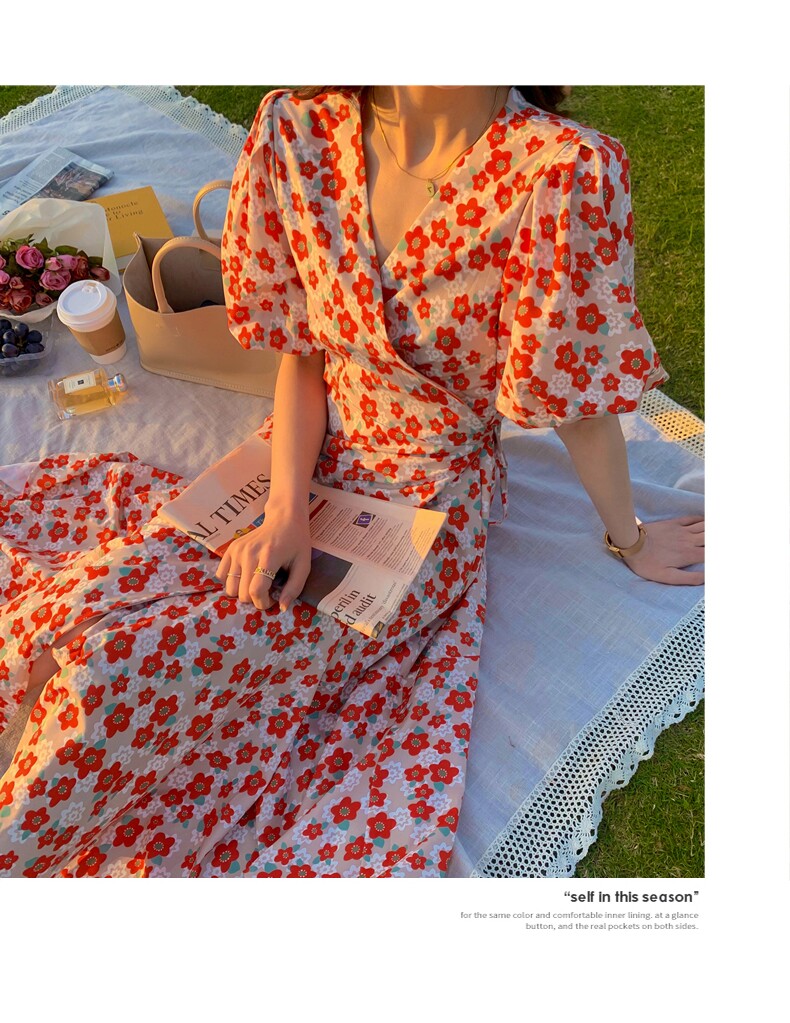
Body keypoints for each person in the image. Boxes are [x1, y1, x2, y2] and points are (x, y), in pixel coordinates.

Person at [0, 86, 703, 878]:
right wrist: (285, 510)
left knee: (122, 675)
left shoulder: (561, 172)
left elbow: (579, 406)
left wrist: (630, 537)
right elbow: (305, 350)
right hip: (301, 447)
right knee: (87, 604)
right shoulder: (299, 127)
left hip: (427, 501)